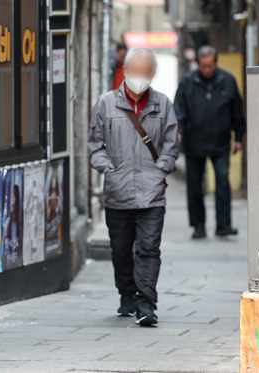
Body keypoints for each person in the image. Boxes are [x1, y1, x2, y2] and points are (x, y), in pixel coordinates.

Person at [88, 47, 179, 326]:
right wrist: (108, 168)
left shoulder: (163, 104)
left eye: (146, 72)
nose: (140, 77)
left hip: (152, 194)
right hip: (118, 192)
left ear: (152, 73)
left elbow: (171, 144)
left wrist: (161, 167)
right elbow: (94, 147)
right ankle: (126, 292)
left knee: (149, 249)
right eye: (135, 71)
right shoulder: (105, 103)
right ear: (125, 72)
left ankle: (146, 302)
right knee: (120, 248)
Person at [174, 46, 245, 239]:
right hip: (194, 142)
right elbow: (178, 110)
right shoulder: (188, 82)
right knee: (195, 186)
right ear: (198, 64)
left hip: (220, 142)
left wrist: (238, 137)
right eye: (204, 66)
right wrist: (178, 130)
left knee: (222, 182)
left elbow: (237, 111)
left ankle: (224, 225)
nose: (207, 69)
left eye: (211, 65)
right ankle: (198, 225)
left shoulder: (227, 80)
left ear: (216, 63)